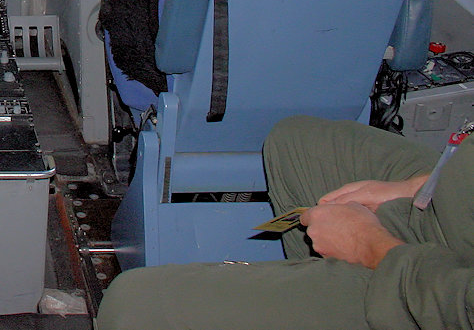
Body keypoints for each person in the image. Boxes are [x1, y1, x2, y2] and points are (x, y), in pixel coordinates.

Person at [98, 115, 470, 330]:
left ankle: (337, 294)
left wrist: (369, 246)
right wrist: (423, 184)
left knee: (131, 307)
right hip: (457, 211)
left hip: (431, 295)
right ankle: (308, 282)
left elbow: (457, 305)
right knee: (294, 143)